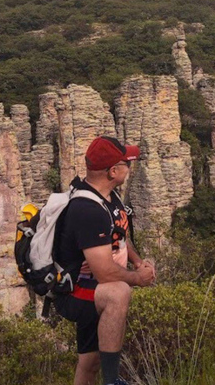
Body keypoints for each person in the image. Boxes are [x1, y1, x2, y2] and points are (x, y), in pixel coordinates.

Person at [54, 136, 157, 385]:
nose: (129, 168)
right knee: (118, 292)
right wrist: (138, 279)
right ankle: (112, 382)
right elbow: (105, 274)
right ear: (113, 171)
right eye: (126, 164)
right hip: (75, 291)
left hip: (92, 287)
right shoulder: (87, 209)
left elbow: (119, 235)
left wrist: (136, 261)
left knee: (89, 363)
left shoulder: (110, 197)